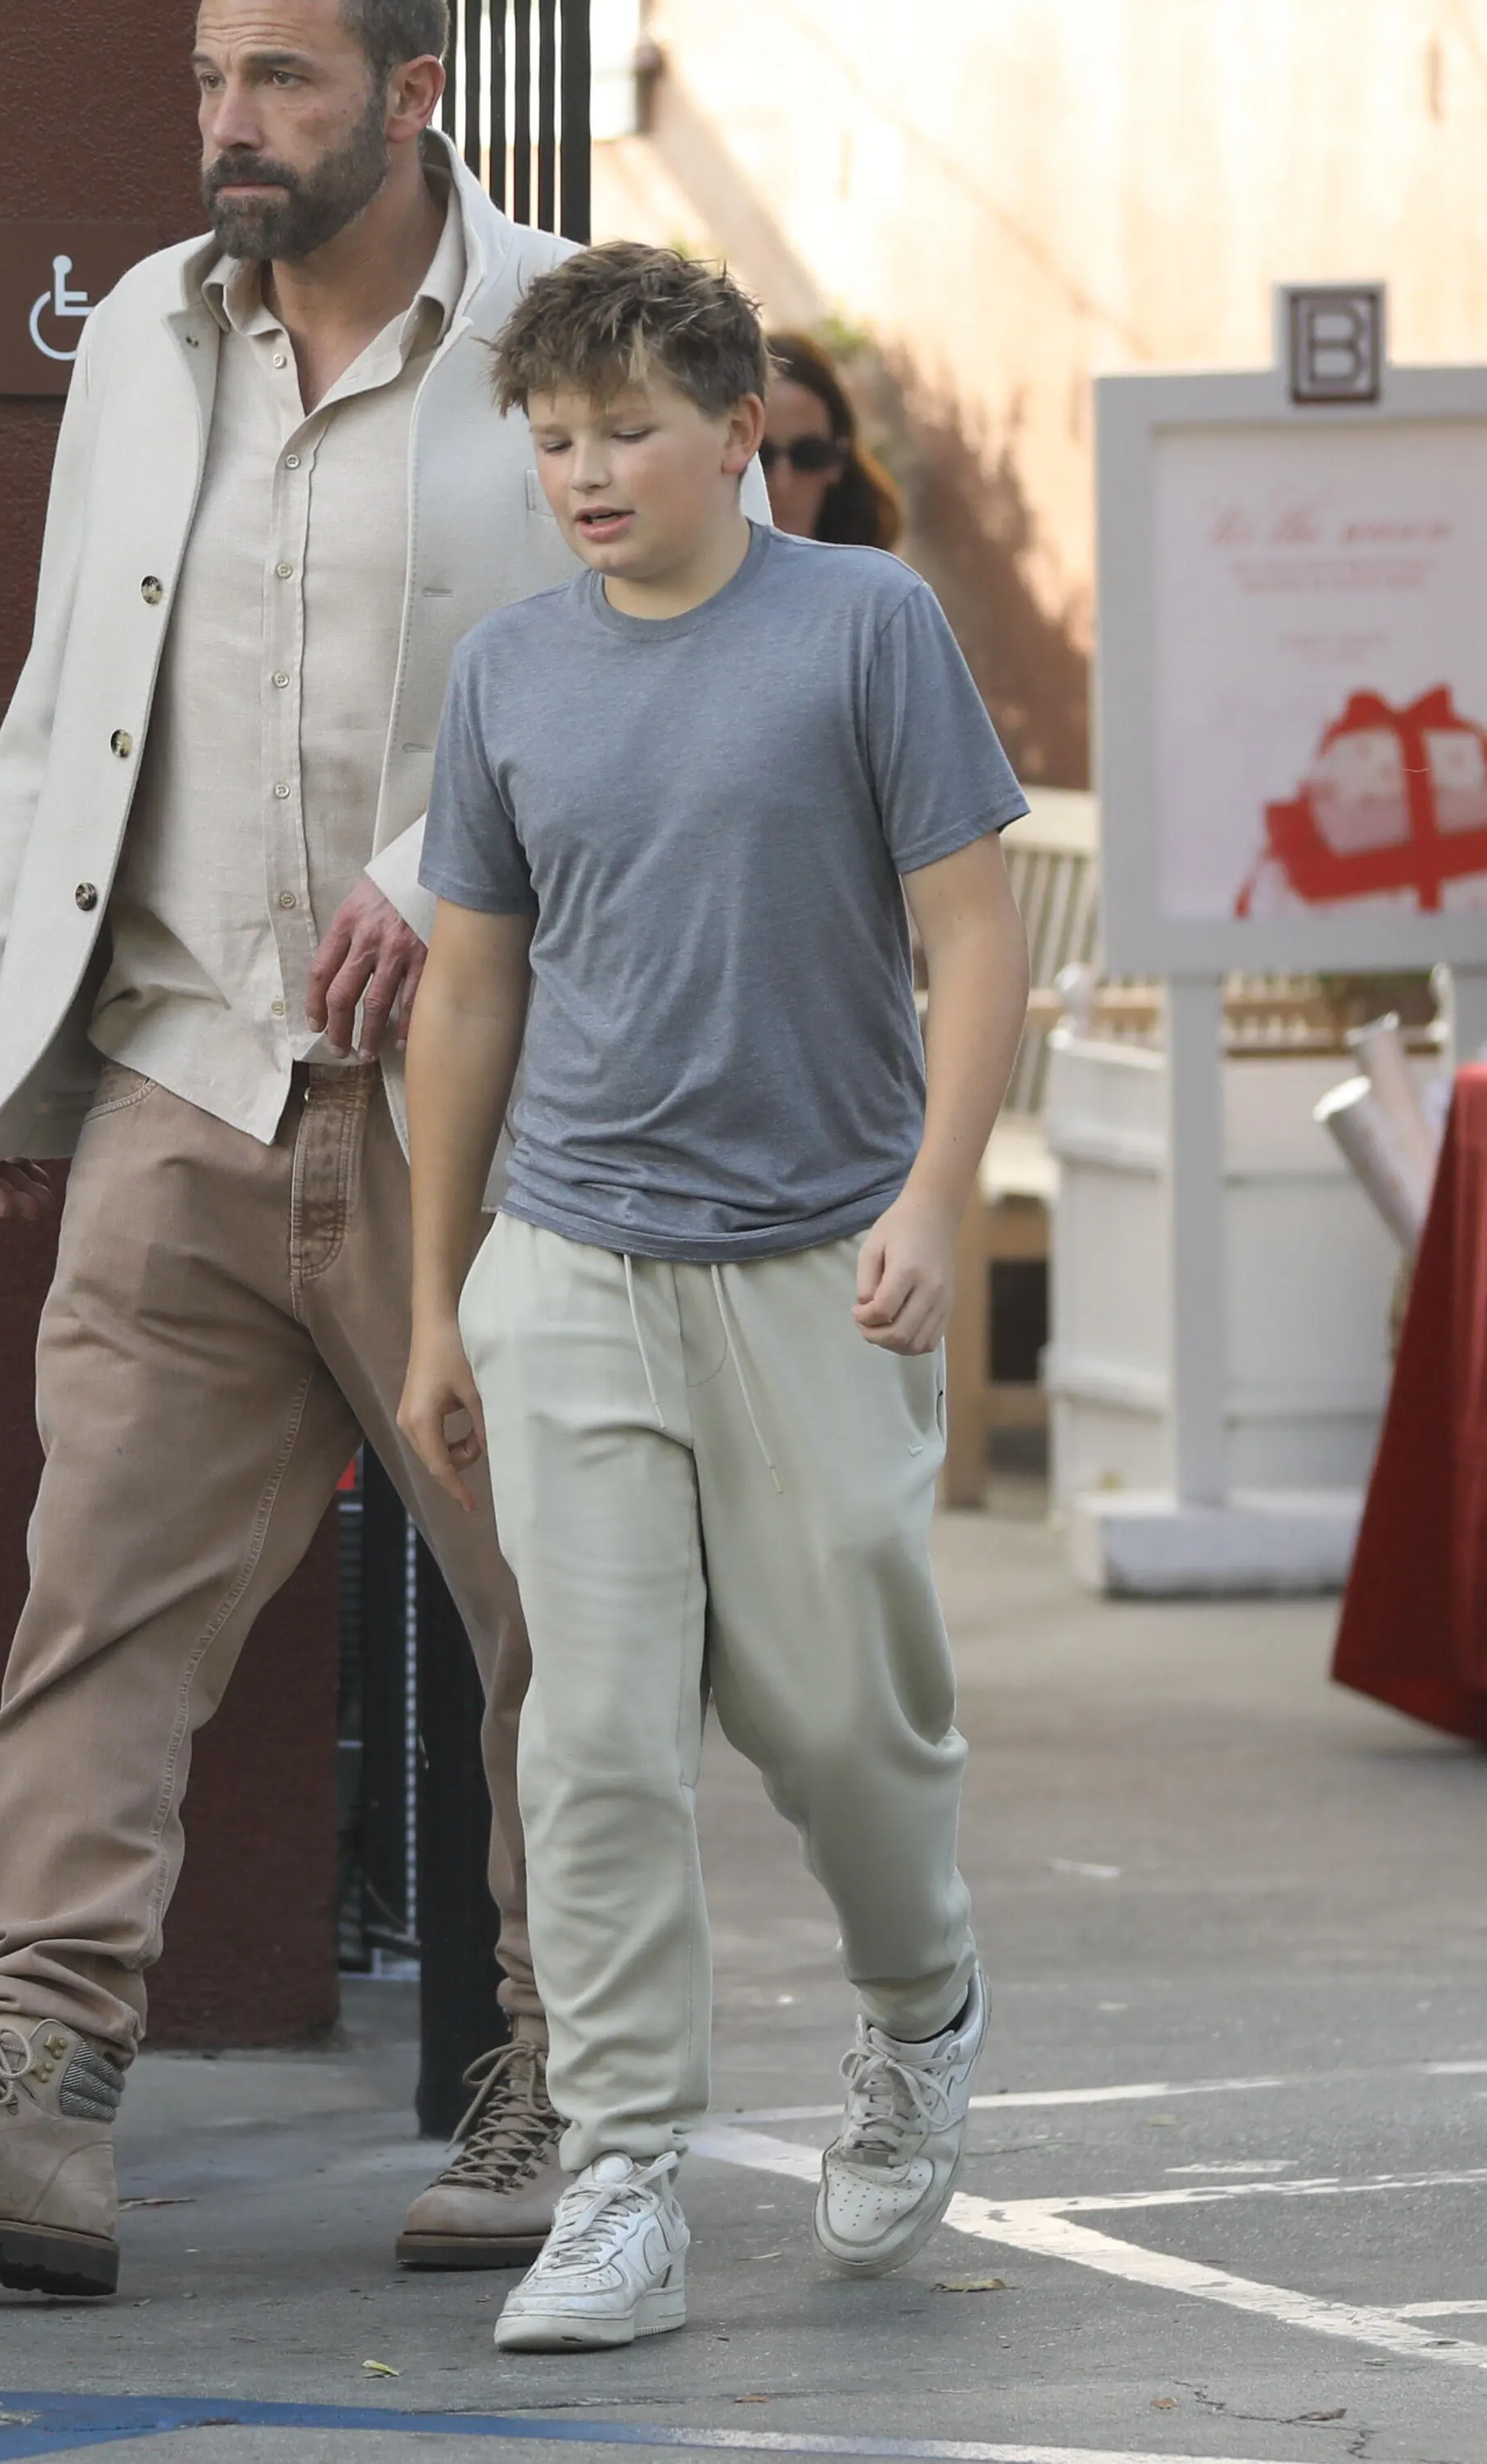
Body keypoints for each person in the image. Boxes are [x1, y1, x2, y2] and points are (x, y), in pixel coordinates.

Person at [0, 0, 606, 2300]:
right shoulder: (142, 328)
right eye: (212, 83)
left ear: (415, 95)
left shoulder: (564, 334)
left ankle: (576, 2093)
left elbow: (656, 665)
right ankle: (31, 2100)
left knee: (564, 1616)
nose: (232, 126)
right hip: (176, 1085)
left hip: (482, 1116)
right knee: (99, 1604)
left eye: (286, 87)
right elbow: (67, 686)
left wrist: (448, 867)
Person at [397, 242, 1030, 2351]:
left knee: (839, 1712)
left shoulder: (864, 628)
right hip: (569, 1252)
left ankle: (917, 1996)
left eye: (625, 433)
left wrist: (937, 1198)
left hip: (818, 1256)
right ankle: (624, 2165)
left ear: (736, 430)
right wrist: (433, 1295)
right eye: (553, 440)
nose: (583, 473)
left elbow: (972, 938)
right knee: (587, 1729)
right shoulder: (505, 673)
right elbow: (467, 990)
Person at [760, 327, 902, 549]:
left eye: (808, 455)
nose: (782, 484)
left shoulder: (876, 578)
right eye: (760, 457)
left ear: (837, 461)